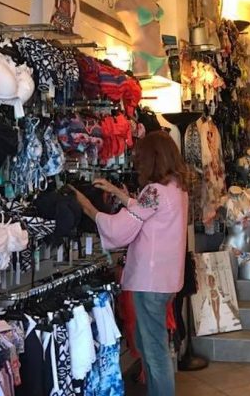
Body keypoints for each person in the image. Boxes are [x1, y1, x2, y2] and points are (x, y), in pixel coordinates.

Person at [71, 131, 188, 396]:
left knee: (154, 350)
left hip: (150, 281)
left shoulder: (154, 191)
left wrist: (88, 208)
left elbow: (122, 228)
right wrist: (118, 194)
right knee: (152, 346)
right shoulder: (176, 188)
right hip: (166, 280)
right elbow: (148, 210)